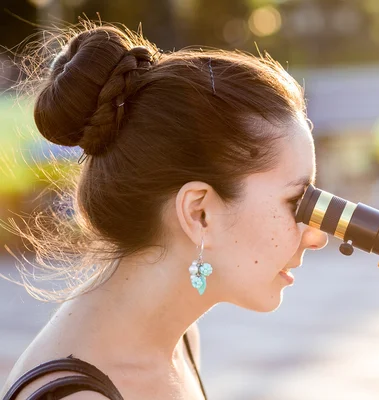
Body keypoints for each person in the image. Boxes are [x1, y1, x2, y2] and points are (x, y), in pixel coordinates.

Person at [0, 21, 328, 400]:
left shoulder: (178, 341)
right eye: (295, 202)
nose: (316, 234)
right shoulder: (80, 396)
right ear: (199, 213)